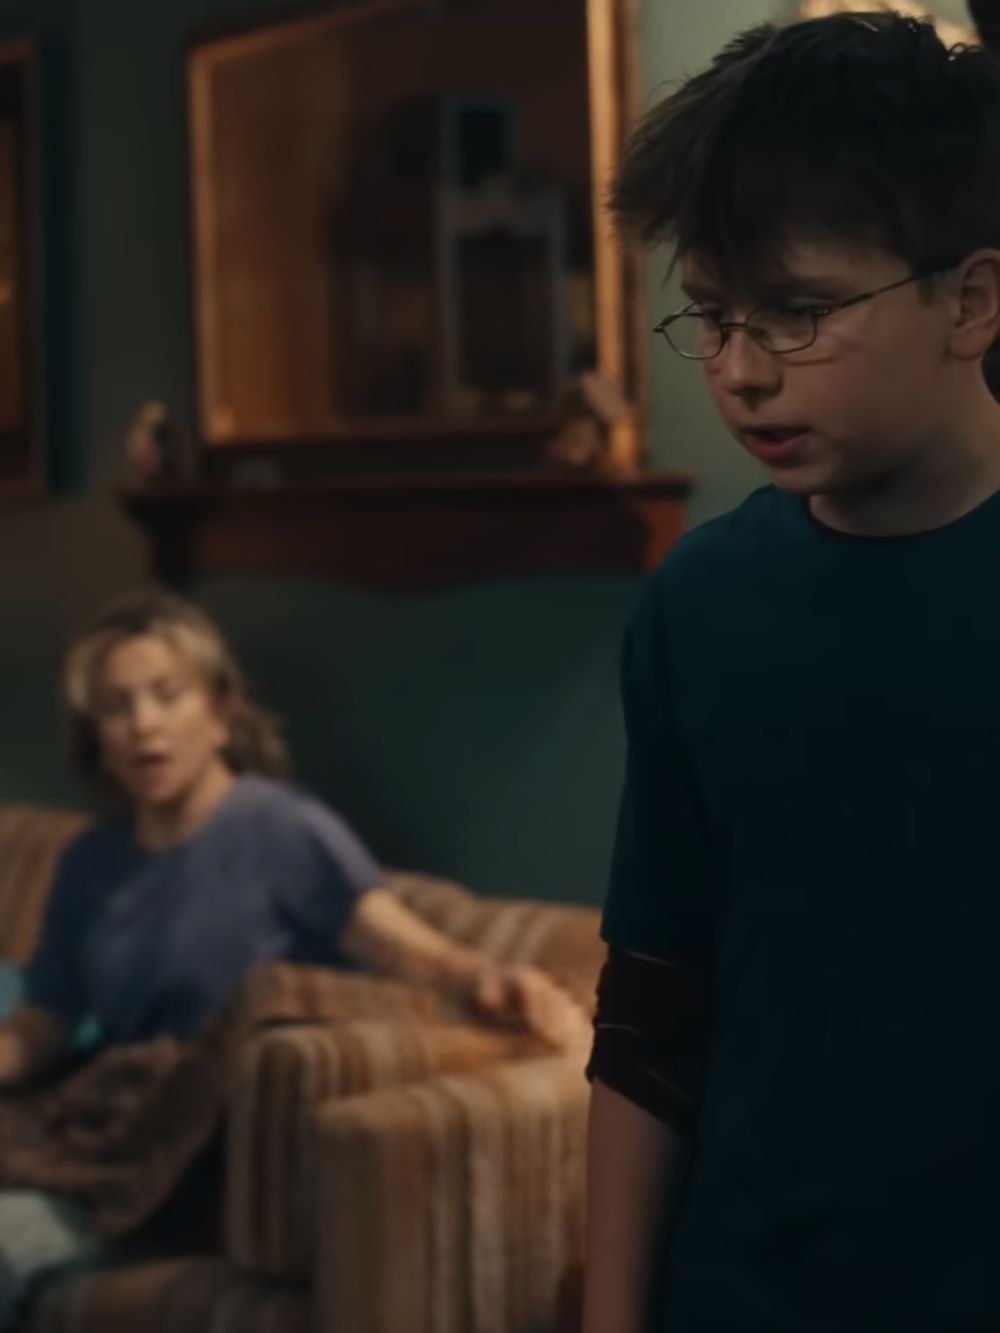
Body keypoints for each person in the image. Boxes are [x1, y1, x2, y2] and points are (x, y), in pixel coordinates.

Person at [584, 12, 1000, 1333]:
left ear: (971, 301)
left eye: (801, 313)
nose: (740, 372)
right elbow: (650, 1013)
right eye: (711, 315)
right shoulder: (701, 603)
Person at [0, 589, 585, 1321]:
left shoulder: (280, 829)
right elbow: (45, 1021)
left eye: (167, 694)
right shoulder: (91, 861)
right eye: (118, 706)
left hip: (204, 1154)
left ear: (220, 710)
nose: (144, 723)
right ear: (96, 735)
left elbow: (404, 947)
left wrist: (491, 977)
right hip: (105, 1127)